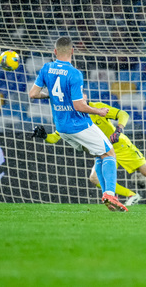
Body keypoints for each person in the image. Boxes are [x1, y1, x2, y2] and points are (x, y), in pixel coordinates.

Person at [32, 91, 146, 207]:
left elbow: (123, 114)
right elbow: (55, 137)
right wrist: (45, 136)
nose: (80, 98)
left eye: (82, 95)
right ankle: (131, 195)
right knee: (95, 179)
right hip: (104, 151)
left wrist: (118, 130)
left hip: (121, 146)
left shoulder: (96, 107)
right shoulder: (69, 118)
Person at [28, 36, 127, 212]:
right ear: (73, 51)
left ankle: (107, 196)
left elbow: (33, 94)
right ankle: (110, 194)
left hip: (62, 127)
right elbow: (78, 105)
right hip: (78, 124)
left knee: (99, 155)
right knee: (110, 153)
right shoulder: (74, 73)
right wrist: (98, 111)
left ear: (55, 51)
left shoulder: (46, 68)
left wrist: (50, 94)